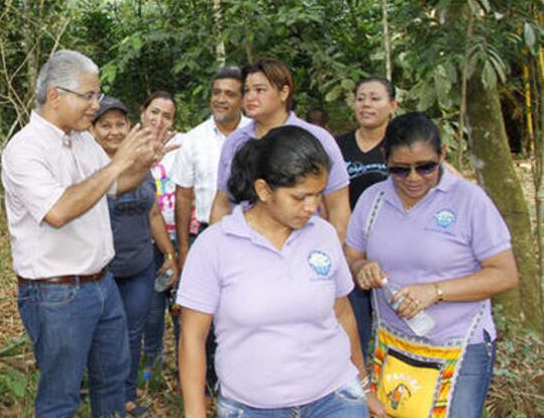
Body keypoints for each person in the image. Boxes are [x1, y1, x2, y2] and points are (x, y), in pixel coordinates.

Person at [1, 50, 169, 417]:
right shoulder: (25, 149)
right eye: (88, 96)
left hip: (101, 283)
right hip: (55, 292)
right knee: (61, 397)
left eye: (97, 94)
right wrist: (119, 163)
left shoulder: (82, 141)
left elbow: (114, 185)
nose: (96, 104)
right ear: (56, 95)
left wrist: (142, 163)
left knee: (111, 382)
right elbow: (59, 211)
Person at [178, 126, 383, 418]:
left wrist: (363, 385)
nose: (312, 207)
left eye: (318, 195)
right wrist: (195, 412)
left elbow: (342, 313)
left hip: (336, 399)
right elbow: (192, 338)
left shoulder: (322, 235)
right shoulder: (215, 245)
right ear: (264, 190)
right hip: (252, 408)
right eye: (300, 197)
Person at [345, 112, 518, 416]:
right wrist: (361, 269)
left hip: (460, 346)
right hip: (395, 345)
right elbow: (351, 256)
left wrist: (436, 291)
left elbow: (505, 275)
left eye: (426, 167)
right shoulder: (372, 199)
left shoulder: (469, 200)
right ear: (385, 158)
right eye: (400, 169)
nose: (413, 178)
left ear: (442, 155)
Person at [90, 96, 178, 415]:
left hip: (139, 266)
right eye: (105, 125)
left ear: (129, 126)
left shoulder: (141, 162)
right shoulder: (88, 166)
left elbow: (153, 213)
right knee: (105, 336)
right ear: (93, 129)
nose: (113, 131)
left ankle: (126, 396)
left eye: (119, 124)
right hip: (103, 270)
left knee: (132, 333)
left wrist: (169, 253)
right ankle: (102, 393)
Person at [169, 65, 251, 395]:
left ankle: (241, 380)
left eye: (229, 93)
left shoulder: (257, 135)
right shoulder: (194, 139)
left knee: (243, 308)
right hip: (205, 233)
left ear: (243, 98)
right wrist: (185, 248)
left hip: (252, 235)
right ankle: (204, 383)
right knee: (203, 312)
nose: (221, 99)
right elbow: (183, 194)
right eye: (216, 92)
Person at [209, 59, 350, 245]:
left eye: (260, 90)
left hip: (302, 245)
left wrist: (332, 255)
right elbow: (222, 201)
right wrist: (215, 247)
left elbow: (338, 207)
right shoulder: (236, 142)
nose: (250, 97)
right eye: (246, 91)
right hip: (243, 246)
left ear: (284, 92)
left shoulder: (317, 139)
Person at [335, 77, 397, 353]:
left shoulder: (403, 144)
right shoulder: (337, 146)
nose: (366, 105)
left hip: (394, 249)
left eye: (375, 98)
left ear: (392, 105)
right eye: (361, 98)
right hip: (350, 250)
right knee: (353, 327)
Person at [138, 91, 183, 375]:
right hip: (144, 241)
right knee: (151, 308)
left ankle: (186, 365)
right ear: (143, 112)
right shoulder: (128, 144)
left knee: (181, 305)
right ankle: (151, 362)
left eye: (167, 116)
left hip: (180, 237)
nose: (159, 120)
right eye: (154, 112)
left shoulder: (183, 145)